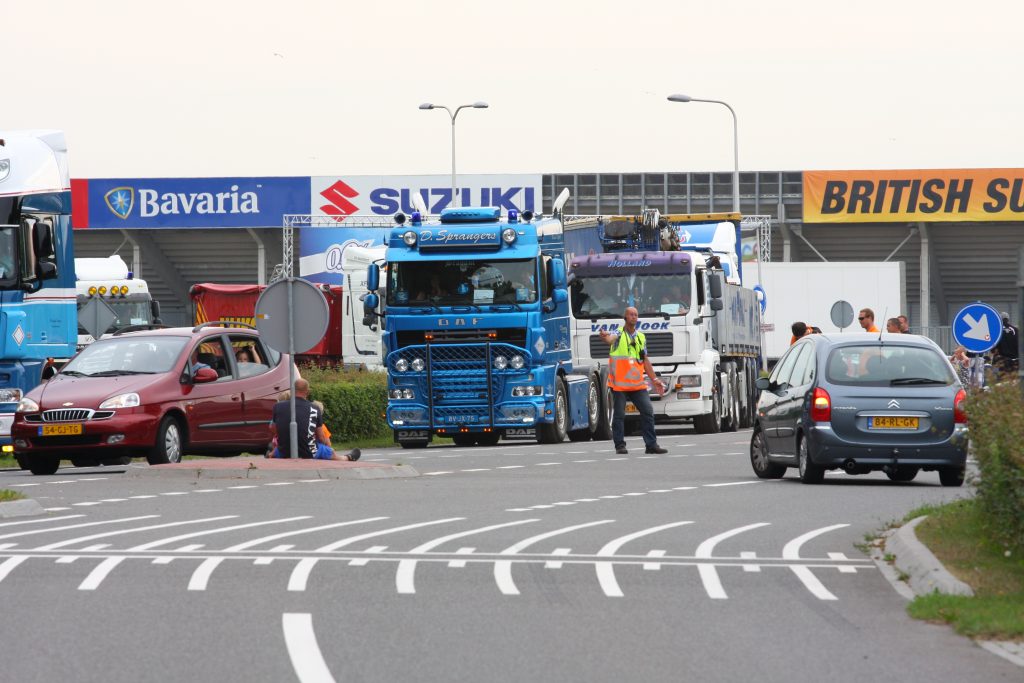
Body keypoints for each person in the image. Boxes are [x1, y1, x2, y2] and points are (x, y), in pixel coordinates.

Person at [599, 306, 667, 455]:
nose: (634, 317)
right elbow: (610, 339)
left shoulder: (641, 337)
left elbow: (645, 360)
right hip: (620, 385)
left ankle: (651, 445)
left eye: (636, 315)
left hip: (637, 384)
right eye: (631, 314)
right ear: (625, 317)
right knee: (619, 415)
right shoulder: (618, 333)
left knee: (648, 411)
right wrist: (605, 336)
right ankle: (620, 445)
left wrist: (654, 379)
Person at [268, 378, 360, 461]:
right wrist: (324, 445)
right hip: (308, 451)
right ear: (307, 392)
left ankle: (270, 455)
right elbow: (321, 436)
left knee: (275, 451)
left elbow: (273, 428)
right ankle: (347, 458)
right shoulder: (314, 409)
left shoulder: (278, 406)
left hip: (284, 450)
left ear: (292, 390)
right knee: (330, 452)